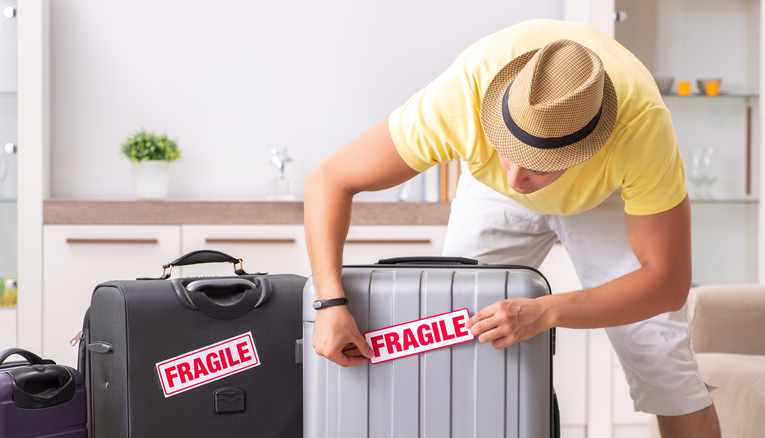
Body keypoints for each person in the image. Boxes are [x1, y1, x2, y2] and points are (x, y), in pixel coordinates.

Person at [303, 18, 721, 437]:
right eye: (508, 150)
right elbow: (329, 180)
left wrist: (546, 311)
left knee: (662, 359)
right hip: (489, 192)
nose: (516, 179)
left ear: (585, 150)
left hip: (603, 194)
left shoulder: (640, 128)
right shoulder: (461, 99)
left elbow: (667, 284)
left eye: (537, 166)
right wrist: (329, 303)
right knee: (455, 337)